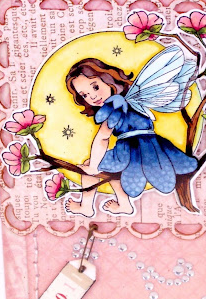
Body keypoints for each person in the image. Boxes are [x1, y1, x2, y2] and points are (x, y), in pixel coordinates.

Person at [64, 46, 198, 217]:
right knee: (112, 170)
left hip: (131, 149)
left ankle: (86, 207)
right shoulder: (132, 100)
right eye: (84, 95)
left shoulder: (115, 105)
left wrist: (92, 166)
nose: (92, 97)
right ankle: (124, 205)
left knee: (91, 167)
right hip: (154, 146)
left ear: (108, 79)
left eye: (95, 87)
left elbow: (102, 138)